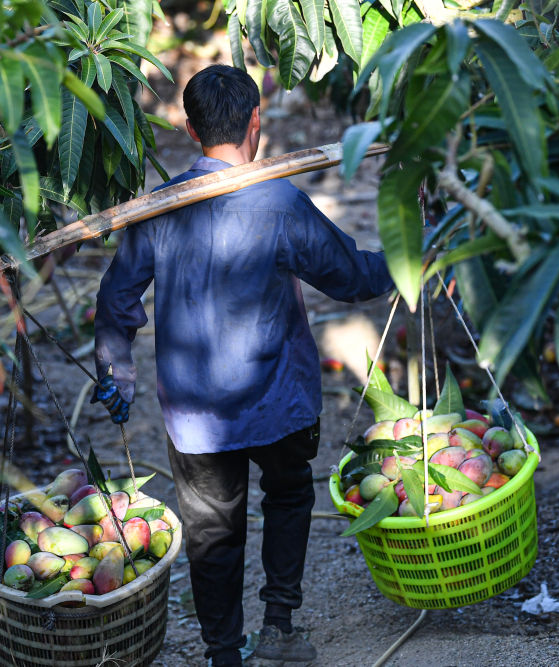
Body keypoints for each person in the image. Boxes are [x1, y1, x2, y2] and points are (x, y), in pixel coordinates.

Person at [92, 64, 394, 666]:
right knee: (287, 498)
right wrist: (415, 251)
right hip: (278, 399)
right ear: (257, 122)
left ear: (189, 126)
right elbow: (354, 278)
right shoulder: (279, 202)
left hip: (196, 411)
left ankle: (222, 653)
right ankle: (279, 625)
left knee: (212, 531)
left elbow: (116, 297)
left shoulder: (161, 207)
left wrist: (115, 366)